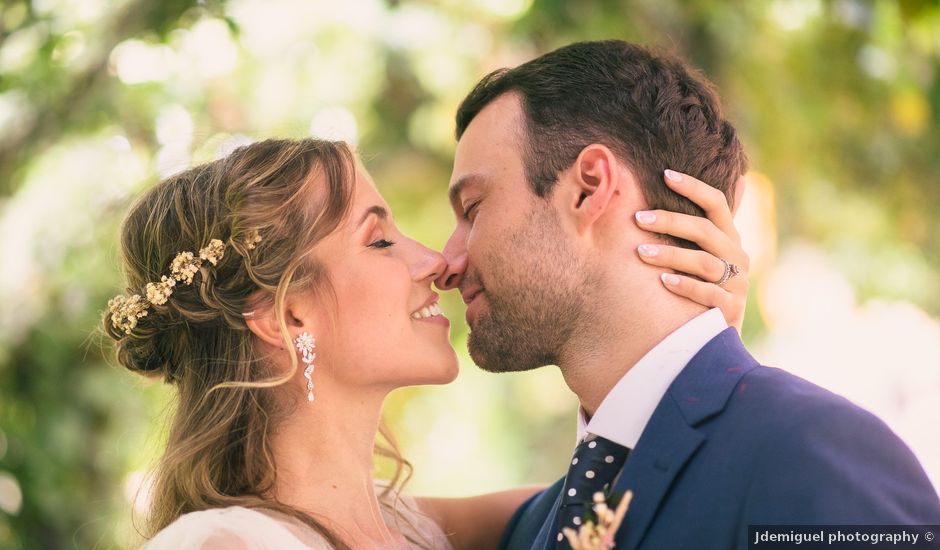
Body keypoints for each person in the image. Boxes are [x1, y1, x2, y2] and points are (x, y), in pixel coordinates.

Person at [103, 137, 747, 548]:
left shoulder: (424, 532)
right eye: (379, 239)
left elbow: (620, 491)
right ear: (286, 315)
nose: (437, 262)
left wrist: (695, 339)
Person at [435, 40, 940, 550]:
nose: (446, 264)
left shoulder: (813, 453)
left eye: (473, 208)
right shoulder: (540, 525)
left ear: (588, 188)